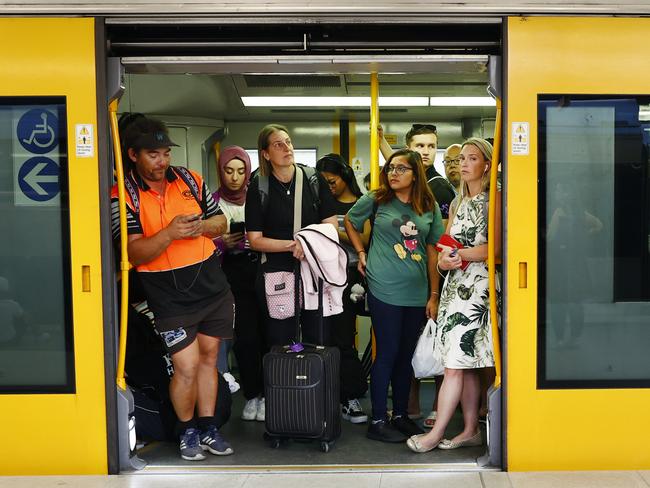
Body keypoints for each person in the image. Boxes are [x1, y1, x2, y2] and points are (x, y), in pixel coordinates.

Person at [111, 116, 234, 461]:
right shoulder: (123, 194)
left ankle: (209, 427)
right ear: (133, 155)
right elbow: (133, 252)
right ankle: (187, 431)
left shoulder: (190, 180)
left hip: (212, 285)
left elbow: (221, 222)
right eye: (153, 154)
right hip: (167, 294)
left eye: (165, 153)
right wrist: (169, 233)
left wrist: (200, 229)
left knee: (210, 360)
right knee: (186, 366)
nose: (162, 161)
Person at [407, 137, 501, 453]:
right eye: (461, 158)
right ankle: (471, 429)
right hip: (455, 286)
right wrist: (448, 258)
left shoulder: (494, 200)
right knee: (463, 361)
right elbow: (450, 242)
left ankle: (437, 433)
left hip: (478, 289)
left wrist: (459, 256)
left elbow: (496, 249)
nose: (463, 163)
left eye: (471, 158)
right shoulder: (459, 201)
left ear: (487, 165)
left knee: (454, 365)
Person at [345, 149, 444, 443]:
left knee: (405, 358)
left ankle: (399, 415)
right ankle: (378, 419)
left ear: (416, 174)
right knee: (386, 354)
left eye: (401, 168)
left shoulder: (429, 205)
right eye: (390, 167)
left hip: (417, 293)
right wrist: (361, 252)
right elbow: (350, 220)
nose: (394, 173)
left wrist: (434, 293)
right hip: (383, 288)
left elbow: (432, 249)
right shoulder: (377, 199)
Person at [379, 124, 456, 422]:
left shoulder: (436, 186)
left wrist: (435, 288)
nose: (425, 151)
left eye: (430, 146)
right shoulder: (401, 186)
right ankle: (408, 407)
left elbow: (438, 240)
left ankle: (437, 407)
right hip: (405, 279)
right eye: (419, 146)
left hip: (439, 273)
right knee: (408, 346)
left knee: (435, 342)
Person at [245, 124, 338, 348]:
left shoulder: (313, 179)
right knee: (281, 340)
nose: (287, 148)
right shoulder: (259, 186)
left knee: (317, 339)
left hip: (313, 271)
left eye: (288, 142)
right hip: (276, 274)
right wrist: (293, 245)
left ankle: (315, 383)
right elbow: (255, 240)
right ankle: (284, 382)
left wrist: (308, 245)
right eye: (278, 144)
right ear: (266, 154)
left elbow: (331, 227)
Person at [212, 146, 267, 422]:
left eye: (241, 171)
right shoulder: (210, 202)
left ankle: (270, 393)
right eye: (228, 170)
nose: (235, 177)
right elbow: (199, 243)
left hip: (264, 270)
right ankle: (252, 394)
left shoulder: (259, 198)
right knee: (245, 338)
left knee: (270, 335)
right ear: (220, 171)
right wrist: (222, 244)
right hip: (231, 274)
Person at [316, 153, 370, 424]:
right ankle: (322, 396)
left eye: (332, 181)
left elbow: (365, 236)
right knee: (320, 339)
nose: (329, 187)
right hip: (319, 276)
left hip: (348, 276)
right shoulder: (318, 202)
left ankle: (349, 395)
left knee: (344, 337)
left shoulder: (360, 203)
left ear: (345, 176)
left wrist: (330, 231)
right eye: (323, 182)